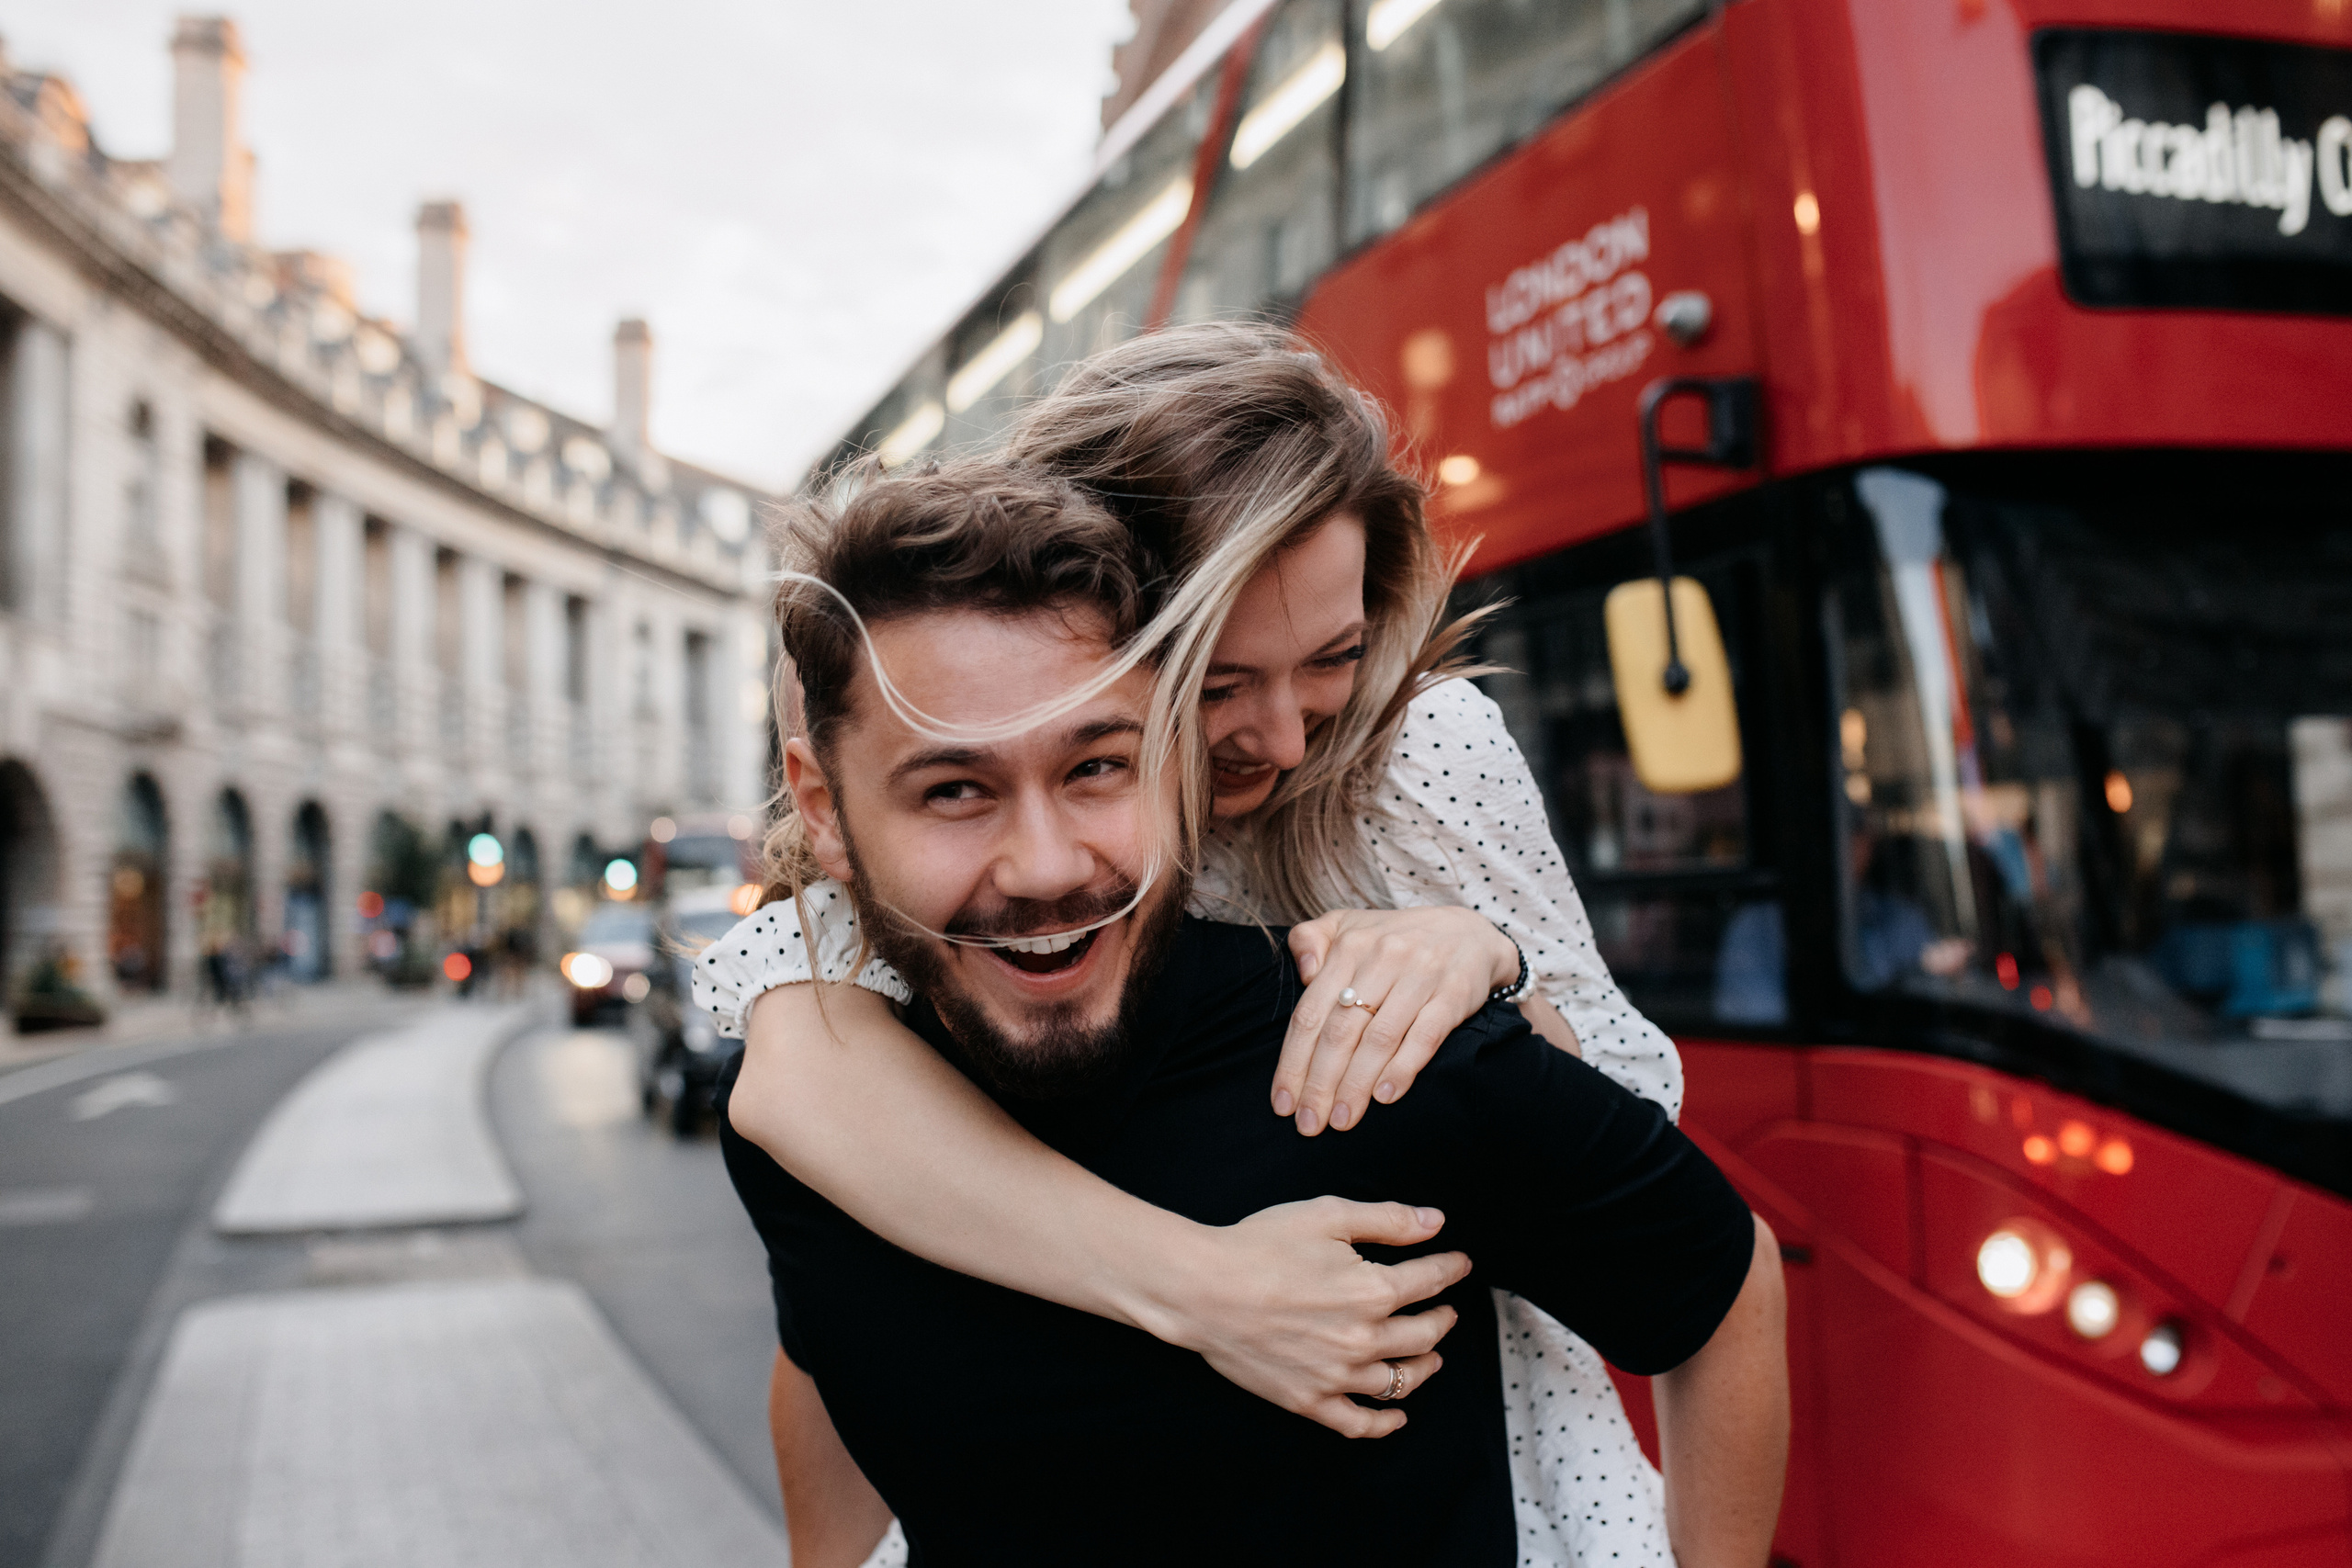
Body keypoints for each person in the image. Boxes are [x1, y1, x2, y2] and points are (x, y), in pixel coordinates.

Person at [701, 325, 1693, 1564]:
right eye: (1221, 681)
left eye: (1330, 657)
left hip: (1487, 1454)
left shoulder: (1422, 752)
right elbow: (802, 1096)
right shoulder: (1013, 819)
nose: (1282, 734)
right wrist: (1207, 1290)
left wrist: (1484, 957)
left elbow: (1633, 1126)